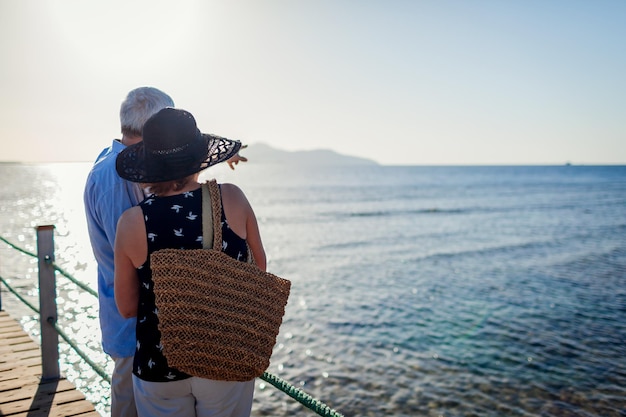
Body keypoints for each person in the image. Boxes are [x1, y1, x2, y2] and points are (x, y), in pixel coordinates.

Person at [83, 87, 247, 417]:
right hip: (142, 336)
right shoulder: (116, 179)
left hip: (141, 338)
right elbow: (150, 263)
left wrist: (214, 156)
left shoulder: (106, 163)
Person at [113, 107, 266, 417]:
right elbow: (259, 269)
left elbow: (127, 308)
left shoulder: (131, 223)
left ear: (150, 166)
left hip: (159, 361)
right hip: (224, 356)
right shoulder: (232, 198)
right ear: (199, 158)